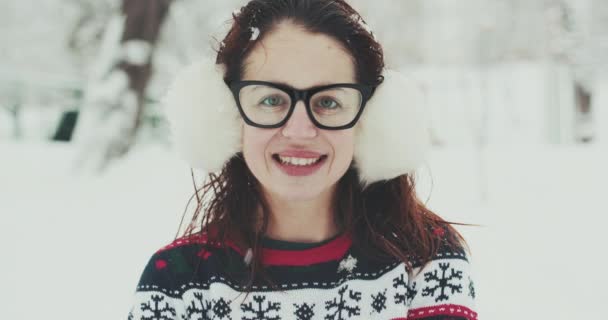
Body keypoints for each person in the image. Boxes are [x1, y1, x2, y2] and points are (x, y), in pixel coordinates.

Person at [127, 0, 477, 319]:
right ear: (229, 115)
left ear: (369, 120)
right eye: (270, 100)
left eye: (328, 102)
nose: (299, 130)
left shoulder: (428, 257)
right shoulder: (176, 281)